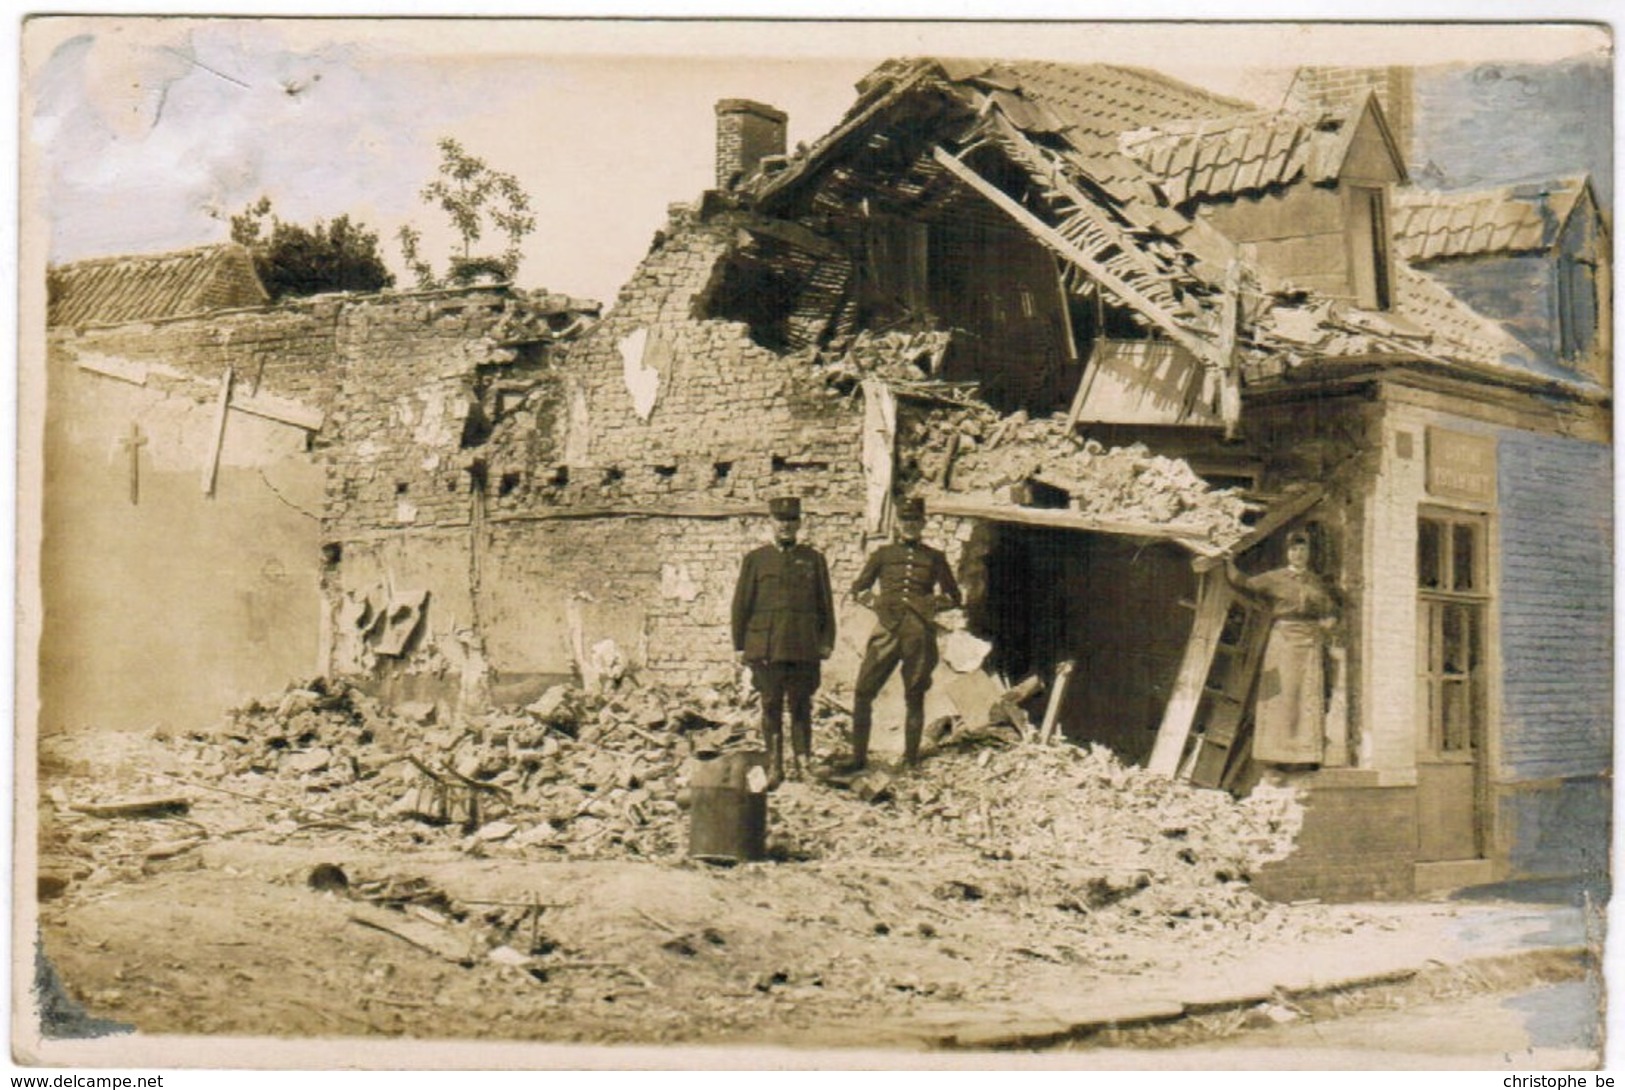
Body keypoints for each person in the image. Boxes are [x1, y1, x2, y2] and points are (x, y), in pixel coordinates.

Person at [842, 496, 962, 772]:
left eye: (915, 521)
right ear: (897, 523)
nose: (910, 526)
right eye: (906, 520)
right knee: (863, 691)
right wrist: (878, 605)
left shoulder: (934, 558)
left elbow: (954, 596)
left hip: (919, 633)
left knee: (915, 694)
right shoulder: (883, 555)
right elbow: (859, 589)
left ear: (923, 523)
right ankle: (858, 758)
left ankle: (910, 760)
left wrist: (930, 605)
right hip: (886, 630)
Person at [730, 496, 835, 788]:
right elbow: (741, 605)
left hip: (803, 645)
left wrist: (826, 641)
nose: (786, 526)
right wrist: (740, 645)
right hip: (767, 647)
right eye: (780, 520)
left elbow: (825, 604)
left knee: (802, 704)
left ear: (799, 523)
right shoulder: (756, 560)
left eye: (791, 521)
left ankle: (804, 763)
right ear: (771, 523)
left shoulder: (813, 559)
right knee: (771, 704)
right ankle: (775, 765)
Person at [1220, 529, 1338, 770]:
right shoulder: (1275, 578)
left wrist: (1328, 623)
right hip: (1283, 641)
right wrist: (1227, 560)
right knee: (1280, 695)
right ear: (1287, 553)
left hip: (1309, 644)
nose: (1298, 554)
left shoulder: (1315, 581)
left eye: (1303, 549)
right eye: (1294, 549)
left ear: (1309, 553)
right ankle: (1274, 754)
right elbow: (1243, 582)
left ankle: (1303, 755)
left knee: (1305, 696)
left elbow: (1331, 610)